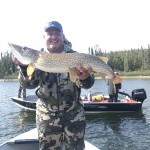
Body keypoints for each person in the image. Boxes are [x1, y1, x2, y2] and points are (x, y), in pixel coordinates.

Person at [12, 21, 95, 150]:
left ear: (63, 36)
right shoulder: (37, 57)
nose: (54, 36)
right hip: (46, 117)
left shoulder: (75, 56)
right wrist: (23, 68)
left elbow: (88, 84)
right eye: (49, 33)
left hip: (74, 115)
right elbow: (29, 85)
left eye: (57, 33)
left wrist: (85, 78)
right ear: (44, 37)